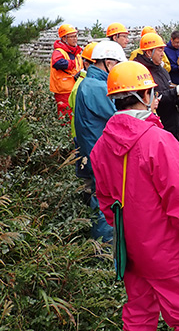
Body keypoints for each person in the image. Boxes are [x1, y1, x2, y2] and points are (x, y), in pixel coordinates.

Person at [91, 61, 179, 330]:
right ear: (144, 96)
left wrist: (129, 235)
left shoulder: (100, 146)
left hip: (131, 252)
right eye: (153, 93)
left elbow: (106, 203)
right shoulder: (159, 141)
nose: (156, 98)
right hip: (168, 253)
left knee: (138, 314)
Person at [74, 40, 127, 241]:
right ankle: (105, 246)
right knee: (105, 197)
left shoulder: (91, 82)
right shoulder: (96, 87)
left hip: (93, 146)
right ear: (109, 63)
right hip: (99, 149)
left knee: (101, 194)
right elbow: (117, 115)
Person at [133, 32, 179, 143]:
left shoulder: (161, 70)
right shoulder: (141, 72)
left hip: (170, 121)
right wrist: (174, 93)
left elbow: (167, 88)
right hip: (156, 127)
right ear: (149, 52)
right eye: (160, 50)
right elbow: (152, 97)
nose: (163, 54)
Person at [69, 41, 97, 181]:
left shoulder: (83, 82)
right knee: (87, 174)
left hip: (82, 134)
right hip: (83, 136)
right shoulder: (83, 86)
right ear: (87, 64)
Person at [49, 24, 83, 121]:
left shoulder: (76, 52)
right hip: (63, 91)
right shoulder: (59, 51)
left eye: (75, 36)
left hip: (75, 89)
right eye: (72, 37)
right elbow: (57, 63)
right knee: (66, 118)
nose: (75, 39)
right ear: (64, 38)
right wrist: (72, 64)